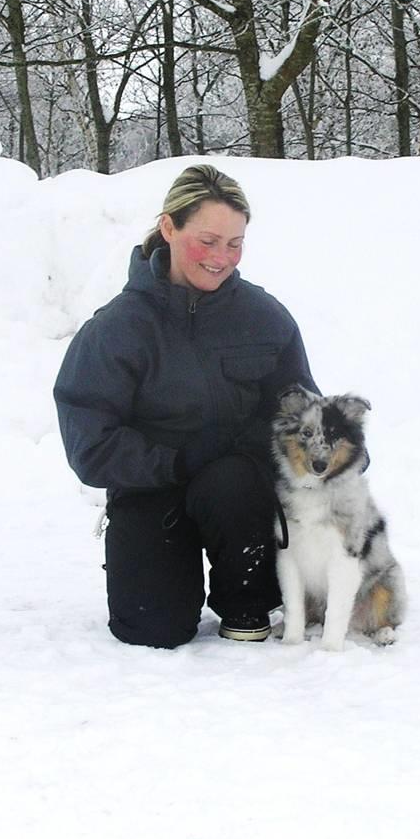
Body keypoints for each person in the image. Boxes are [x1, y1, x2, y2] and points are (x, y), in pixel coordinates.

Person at [53, 164, 319, 648]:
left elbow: (305, 413)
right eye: (208, 240)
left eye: (234, 243)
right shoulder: (117, 329)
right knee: (152, 629)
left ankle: (247, 601)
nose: (221, 258)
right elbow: (90, 446)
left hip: (237, 493)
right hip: (151, 489)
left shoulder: (264, 318)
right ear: (169, 227)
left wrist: (335, 453)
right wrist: (176, 461)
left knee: (234, 482)